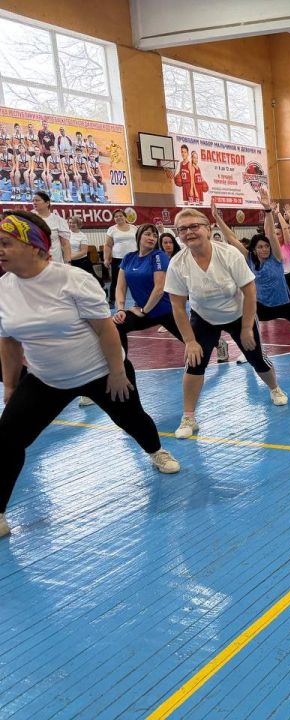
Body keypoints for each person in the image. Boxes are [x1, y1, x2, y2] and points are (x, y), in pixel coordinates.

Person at [0, 211, 180, 538]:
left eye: (6, 243)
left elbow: (106, 330)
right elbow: (9, 341)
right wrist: (10, 386)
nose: (0, 250)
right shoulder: (3, 288)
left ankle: (156, 451)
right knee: (7, 439)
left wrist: (117, 372)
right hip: (46, 379)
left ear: (35, 247)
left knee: (133, 420)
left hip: (101, 372)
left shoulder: (74, 280)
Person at [164, 208, 289, 440]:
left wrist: (246, 328)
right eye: (183, 229)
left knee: (256, 357)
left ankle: (275, 388)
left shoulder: (229, 254)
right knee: (194, 363)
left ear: (207, 228)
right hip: (203, 317)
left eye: (194, 226)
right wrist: (190, 341)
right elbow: (177, 306)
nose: (189, 232)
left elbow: (250, 291)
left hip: (238, 313)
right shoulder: (177, 264)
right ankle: (189, 417)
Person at [216, 194, 290, 333]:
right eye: (260, 247)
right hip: (263, 306)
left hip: (284, 304)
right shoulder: (250, 258)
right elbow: (232, 238)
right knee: (241, 318)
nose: (265, 249)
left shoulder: (276, 258)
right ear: (254, 250)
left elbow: (271, 234)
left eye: (267, 246)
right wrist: (217, 218)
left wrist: (268, 211)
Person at [112, 223, 185, 352]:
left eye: (155, 235)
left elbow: (159, 289)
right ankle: (122, 363)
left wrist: (144, 311)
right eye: (148, 234)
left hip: (165, 311)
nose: (152, 238)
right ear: (138, 237)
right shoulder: (129, 257)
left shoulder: (158, 256)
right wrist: (120, 309)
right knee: (117, 325)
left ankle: (217, 344)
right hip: (144, 312)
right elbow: (120, 287)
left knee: (196, 341)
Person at [104, 210, 138, 306]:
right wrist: (106, 258)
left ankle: (139, 301)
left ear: (125, 217)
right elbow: (108, 245)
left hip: (133, 258)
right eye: (116, 216)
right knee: (115, 281)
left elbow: (140, 242)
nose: (118, 218)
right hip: (118, 259)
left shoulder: (134, 228)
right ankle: (112, 300)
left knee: (136, 280)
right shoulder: (111, 229)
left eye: (120, 216)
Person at [30, 191, 71, 265]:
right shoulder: (29, 218)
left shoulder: (58, 220)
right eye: (33, 201)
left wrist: (68, 262)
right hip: (34, 262)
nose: (34, 203)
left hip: (55, 262)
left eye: (37, 200)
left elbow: (65, 244)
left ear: (47, 203)